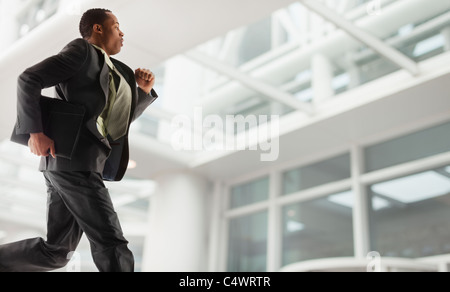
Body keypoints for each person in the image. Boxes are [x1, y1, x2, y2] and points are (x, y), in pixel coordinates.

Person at [0, 8, 158, 272]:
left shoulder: (115, 70)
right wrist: (35, 132)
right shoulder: (82, 52)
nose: (122, 32)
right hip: (74, 160)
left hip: (75, 163)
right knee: (111, 241)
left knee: (57, 253)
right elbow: (29, 78)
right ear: (98, 29)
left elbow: (116, 122)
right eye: (116, 26)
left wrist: (141, 92)